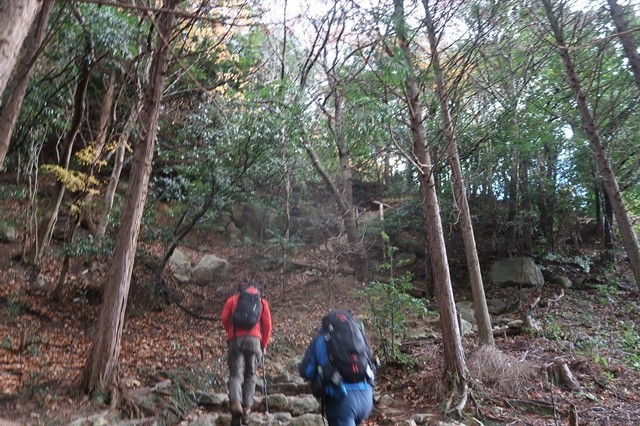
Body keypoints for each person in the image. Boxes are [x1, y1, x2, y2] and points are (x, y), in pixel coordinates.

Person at [299, 310, 376, 426]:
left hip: (341, 400)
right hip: (366, 397)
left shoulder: (322, 338)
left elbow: (306, 371)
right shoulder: (358, 334)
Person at [221, 280, 272, 425]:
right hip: (255, 341)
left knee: (235, 375)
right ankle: (246, 410)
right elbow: (267, 326)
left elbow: (224, 318)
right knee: (250, 375)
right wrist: (264, 344)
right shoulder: (262, 302)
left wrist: (230, 332)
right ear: (256, 290)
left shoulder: (233, 299)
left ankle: (236, 403)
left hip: (235, 339)